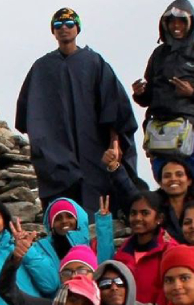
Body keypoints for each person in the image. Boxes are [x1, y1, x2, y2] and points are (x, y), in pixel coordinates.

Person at [16, 8, 138, 216]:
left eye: (69, 24)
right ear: (53, 32)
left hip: (94, 151)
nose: (64, 28)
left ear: (77, 28)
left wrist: (114, 143)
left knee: (98, 212)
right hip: (57, 157)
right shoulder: (42, 68)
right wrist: (44, 149)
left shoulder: (94, 63)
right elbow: (28, 114)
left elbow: (115, 106)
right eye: (58, 25)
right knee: (63, 215)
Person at [132, 1, 194, 204]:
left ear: (190, 23)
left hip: (193, 132)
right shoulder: (158, 55)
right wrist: (141, 93)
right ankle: (172, 224)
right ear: (165, 23)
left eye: (182, 21)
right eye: (172, 21)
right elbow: (149, 96)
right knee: (168, 189)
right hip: (161, 134)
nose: (176, 26)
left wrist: (193, 92)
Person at [0, 245, 100, 305]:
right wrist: (15, 260)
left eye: (82, 271)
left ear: (95, 275)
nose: (73, 276)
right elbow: (6, 290)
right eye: (67, 272)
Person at [108, 192, 178, 305]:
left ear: (159, 218)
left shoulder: (170, 251)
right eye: (133, 213)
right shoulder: (123, 250)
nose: (137, 218)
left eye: (145, 213)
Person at [154, 159, 194, 244]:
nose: (173, 179)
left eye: (179, 174)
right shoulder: (153, 207)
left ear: (189, 180)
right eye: (167, 176)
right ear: (161, 183)